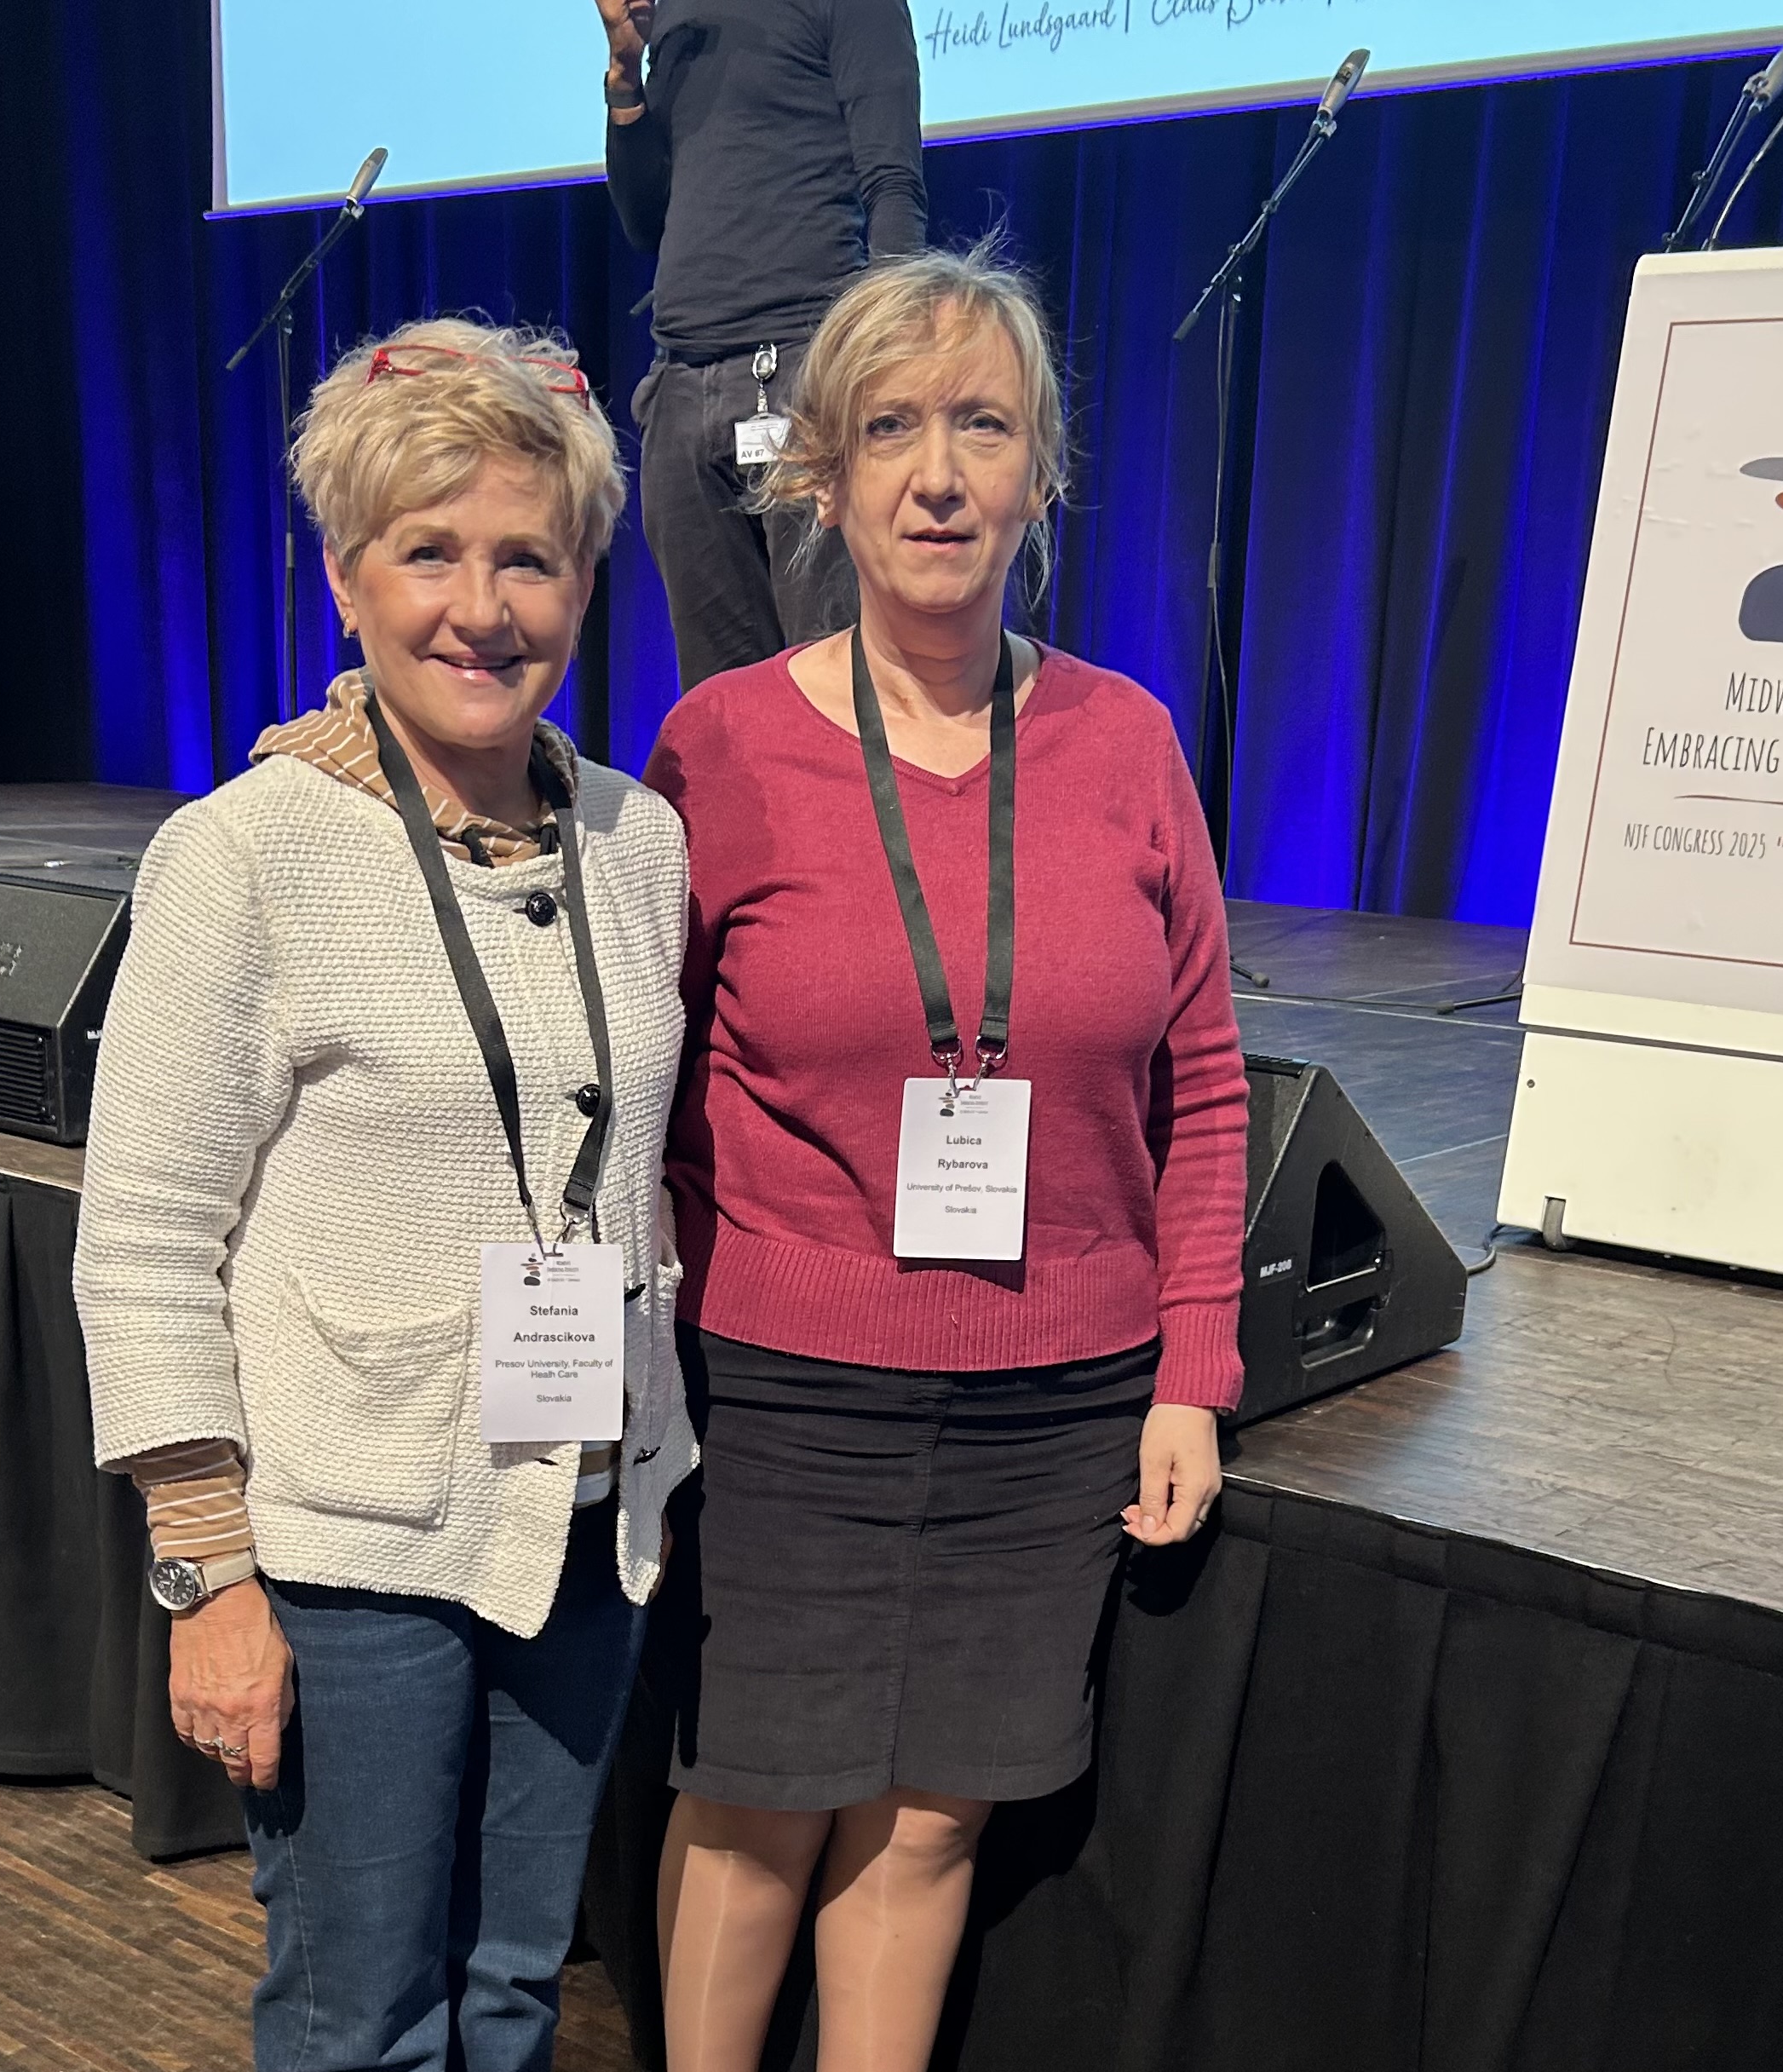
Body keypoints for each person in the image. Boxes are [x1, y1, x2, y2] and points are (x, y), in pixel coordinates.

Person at [641, 246, 1249, 2071]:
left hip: (1056, 1388)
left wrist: (1191, 1370)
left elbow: (1204, 1085)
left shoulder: (1128, 740)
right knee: (754, 1810)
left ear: (1039, 474)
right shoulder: (719, 744)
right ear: (819, 476)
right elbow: (648, 1079)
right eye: (889, 429)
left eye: (980, 426)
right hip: (787, 1379)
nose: (935, 475)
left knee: (926, 1824)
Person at [73, 317, 696, 2072]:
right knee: (364, 2020)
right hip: (348, 1553)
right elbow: (143, 1245)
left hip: (587, 1522)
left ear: (584, 584)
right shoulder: (243, 855)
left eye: (528, 558)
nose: (479, 608)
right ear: (348, 578)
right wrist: (208, 1573)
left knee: (512, 1988)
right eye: (429, 552)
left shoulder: (638, 841)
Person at [595, 0, 928, 689]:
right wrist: (626, 76)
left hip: (808, 377)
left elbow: (893, 186)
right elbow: (644, 221)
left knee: (833, 687)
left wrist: (885, 375)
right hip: (683, 388)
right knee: (721, 706)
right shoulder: (674, 15)